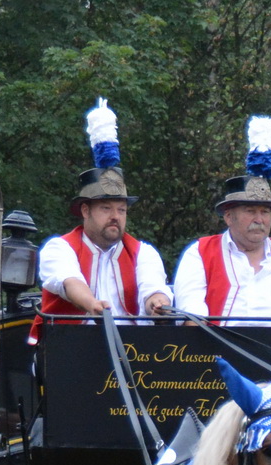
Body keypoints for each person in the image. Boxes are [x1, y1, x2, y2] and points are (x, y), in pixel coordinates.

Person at [172, 116, 271, 367]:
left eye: (265, 212)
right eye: (250, 211)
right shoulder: (199, 252)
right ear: (229, 216)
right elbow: (192, 317)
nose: (259, 219)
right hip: (219, 362)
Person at [31, 98, 173, 345]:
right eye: (106, 208)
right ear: (85, 210)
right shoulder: (59, 248)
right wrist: (92, 304)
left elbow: (152, 287)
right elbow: (69, 280)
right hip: (69, 349)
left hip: (132, 354)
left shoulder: (143, 253)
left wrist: (158, 303)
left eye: (121, 209)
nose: (115, 216)